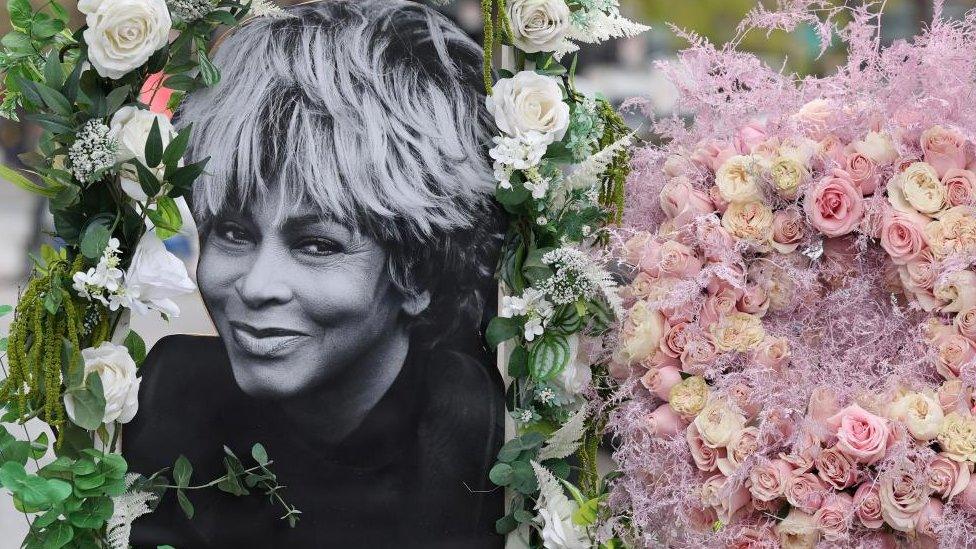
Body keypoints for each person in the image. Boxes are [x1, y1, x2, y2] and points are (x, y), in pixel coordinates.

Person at [123, 1, 506, 546]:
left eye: (318, 244)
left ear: (417, 271)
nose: (257, 285)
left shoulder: (473, 445)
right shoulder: (163, 400)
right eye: (234, 232)